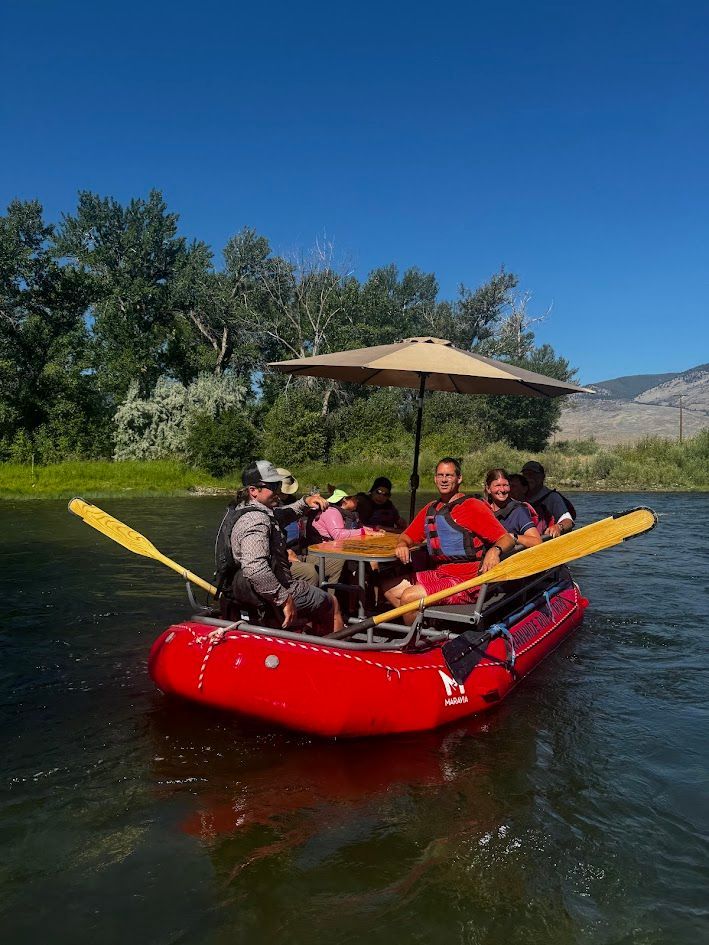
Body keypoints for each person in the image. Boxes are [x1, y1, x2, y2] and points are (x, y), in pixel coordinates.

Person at [381, 457, 516, 624]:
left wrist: (495, 551)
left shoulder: (472, 506)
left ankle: (415, 638)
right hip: (440, 573)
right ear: (435, 479)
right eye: (440, 475)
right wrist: (402, 544)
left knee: (410, 596)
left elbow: (506, 539)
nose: (444, 480)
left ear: (459, 478)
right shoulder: (431, 509)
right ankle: (425, 627)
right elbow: (407, 536)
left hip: (467, 581)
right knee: (390, 589)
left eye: (449, 475)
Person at [215, 460, 343, 633]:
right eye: (273, 486)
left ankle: (302, 630)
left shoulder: (246, 509)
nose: (278, 491)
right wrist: (283, 598)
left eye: (279, 485)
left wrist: (306, 501)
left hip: (246, 590)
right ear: (253, 490)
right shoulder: (256, 520)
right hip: (269, 592)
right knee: (332, 603)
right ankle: (329, 647)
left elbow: (285, 514)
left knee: (309, 578)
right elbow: (255, 568)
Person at [483, 468, 541, 549]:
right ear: (488, 489)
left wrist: (512, 537)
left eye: (505, 485)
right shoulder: (483, 510)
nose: (502, 490)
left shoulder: (518, 511)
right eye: (497, 485)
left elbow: (537, 541)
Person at [521, 461, 576, 538]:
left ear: (542, 477)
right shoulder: (518, 496)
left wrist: (559, 527)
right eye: (525, 474)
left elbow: (568, 521)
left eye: (533, 474)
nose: (528, 478)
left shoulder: (553, 497)